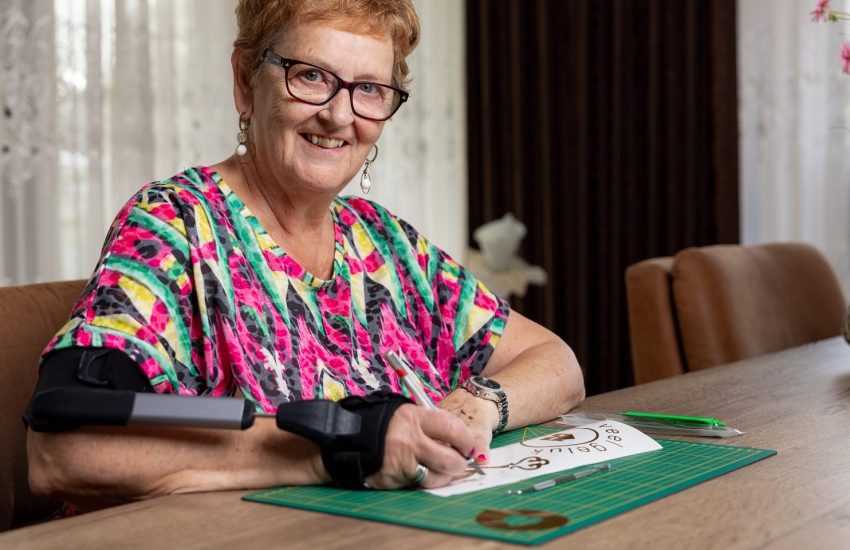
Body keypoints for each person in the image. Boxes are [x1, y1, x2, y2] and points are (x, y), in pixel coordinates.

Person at [26, 0, 584, 512]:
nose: (340, 116)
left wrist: (473, 408)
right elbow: (62, 451)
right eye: (311, 76)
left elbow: (557, 363)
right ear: (246, 81)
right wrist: (327, 450)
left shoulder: (386, 244)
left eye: (369, 89)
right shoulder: (175, 224)